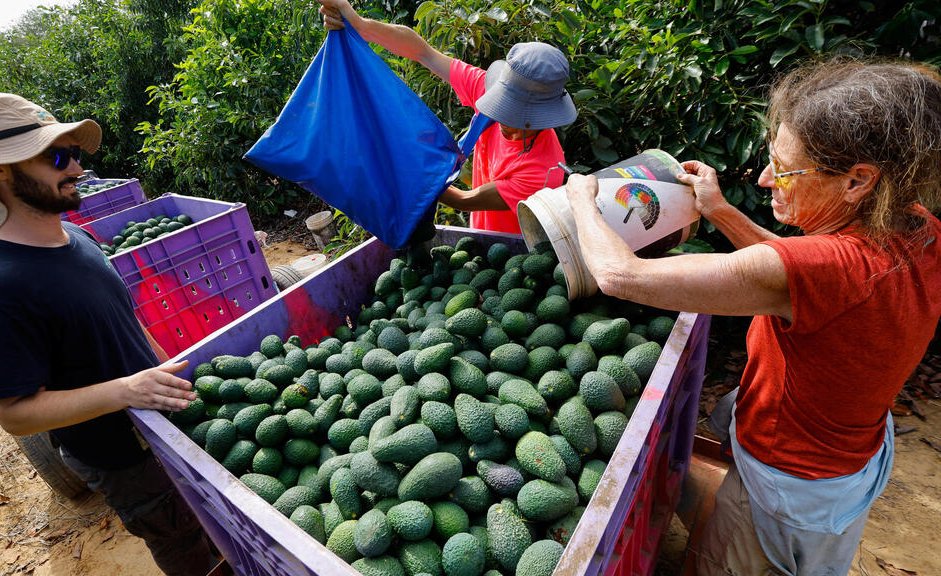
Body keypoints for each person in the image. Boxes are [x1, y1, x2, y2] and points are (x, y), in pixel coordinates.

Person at [565, 60, 941, 575]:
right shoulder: (921, 230)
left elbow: (618, 276)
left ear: (858, 181)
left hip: (784, 481)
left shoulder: (824, 266)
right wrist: (717, 209)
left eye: (784, 168)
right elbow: (793, 275)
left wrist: (582, 201)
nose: (766, 178)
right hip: (847, 466)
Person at [0, 92, 216, 576]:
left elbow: (124, 319)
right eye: (55, 156)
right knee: (180, 538)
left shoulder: (81, 238)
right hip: (121, 455)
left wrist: (165, 371)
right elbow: (13, 414)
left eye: (72, 152)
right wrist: (124, 391)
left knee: (212, 516)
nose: (75, 167)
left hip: (163, 426)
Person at [318, 0, 577, 234]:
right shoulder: (488, 91)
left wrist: (405, 171)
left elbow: (464, 200)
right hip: (479, 235)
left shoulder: (543, 169)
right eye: (504, 108)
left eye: (519, 118)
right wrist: (361, 26)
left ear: (543, 118)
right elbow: (423, 52)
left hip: (512, 254)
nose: (504, 120)